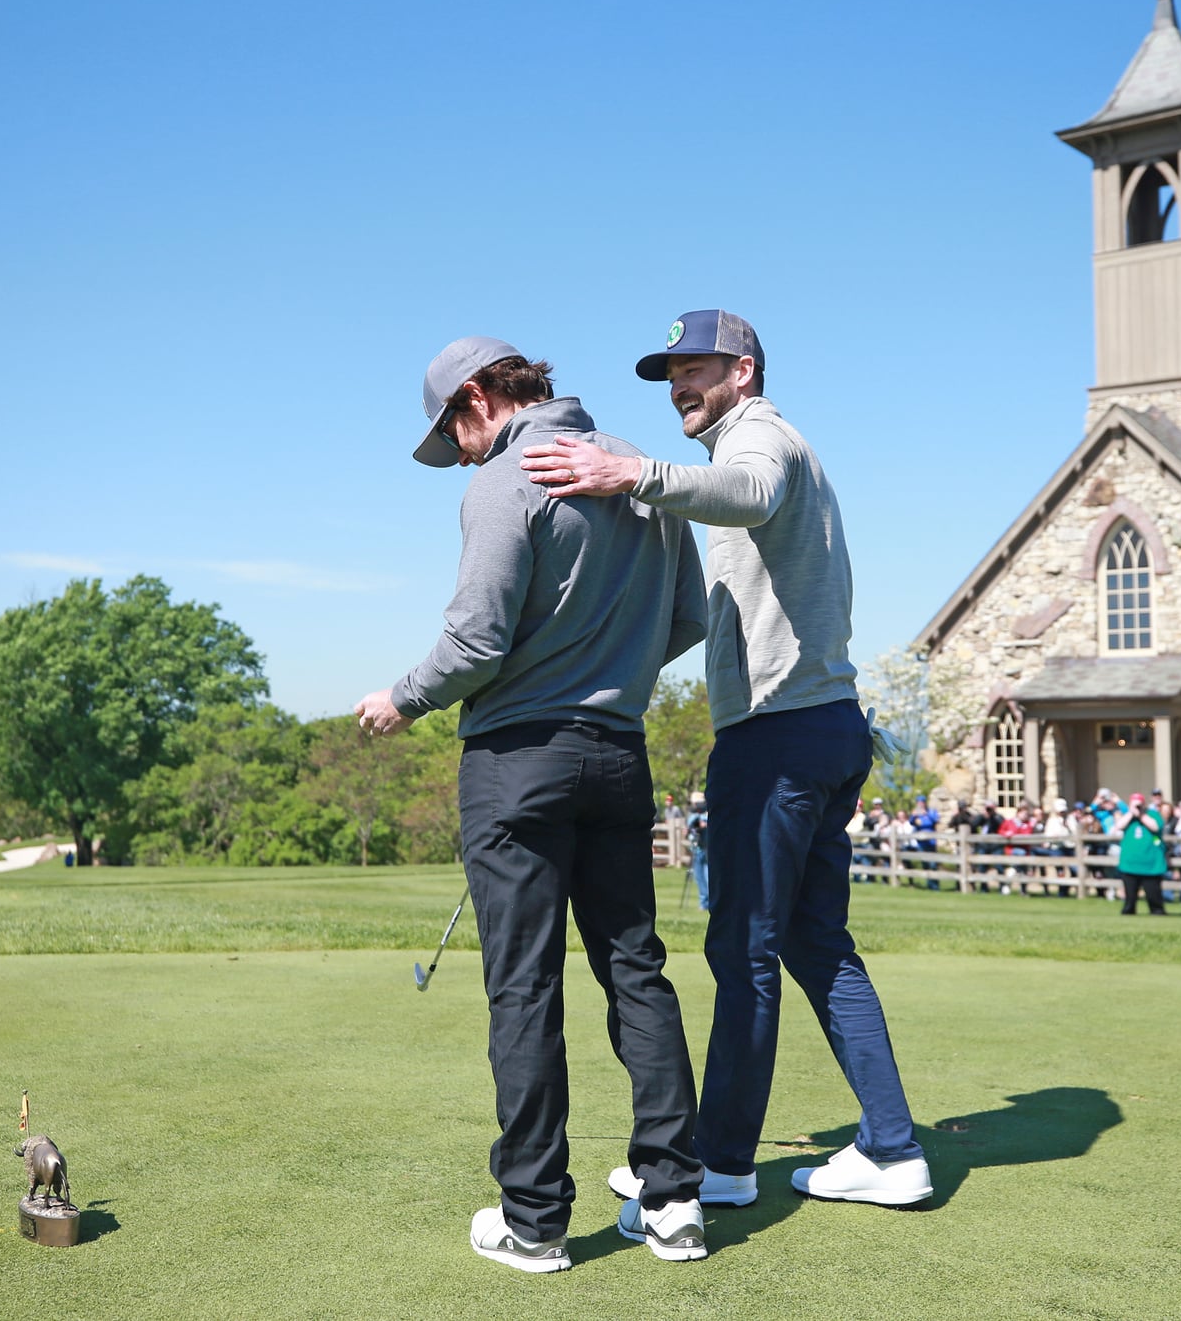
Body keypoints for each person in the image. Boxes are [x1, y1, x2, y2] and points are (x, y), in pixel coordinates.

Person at [522, 308, 931, 1209]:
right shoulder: (753, 445)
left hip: (777, 736)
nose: (679, 386)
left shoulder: (761, 439)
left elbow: (745, 491)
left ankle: (722, 1162)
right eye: (670, 372)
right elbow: (706, 620)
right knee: (817, 943)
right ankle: (893, 1149)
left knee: (741, 946)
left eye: (694, 367)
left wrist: (626, 470)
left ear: (743, 369)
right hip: (825, 725)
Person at [355, 337, 708, 1271]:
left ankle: (536, 1220)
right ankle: (673, 1202)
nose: (460, 453)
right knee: (636, 970)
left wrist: (401, 697)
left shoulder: (508, 479)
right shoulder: (635, 471)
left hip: (517, 761)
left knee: (524, 984)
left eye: (453, 431)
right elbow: (689, 620)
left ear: (478, 397)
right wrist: (609, 672)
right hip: (620, 754)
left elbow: (474, 642)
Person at [1115, 792, 1169, 914]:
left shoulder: (1153, 815)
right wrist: (1131, 813)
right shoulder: (1127, 817)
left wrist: (1141, 815)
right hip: (1130, 864)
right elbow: (1118, 826)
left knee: (1154, 898)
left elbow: (1155, 827)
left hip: (1151, 865)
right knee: (1129, 901)